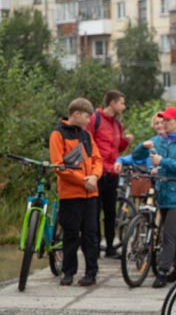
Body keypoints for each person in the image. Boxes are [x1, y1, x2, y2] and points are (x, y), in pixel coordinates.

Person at [132, 106, 176, 288]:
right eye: (163, 120)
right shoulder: (159, 140)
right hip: (163, 193)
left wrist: (163, 162)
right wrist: (142, 147)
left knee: (167, 234)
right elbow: (137, 157)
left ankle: (162, 271)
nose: (164, 123)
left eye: (167, 120)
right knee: (173, 233)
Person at [49, 98, 103, 287]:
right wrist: (83, 181)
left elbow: (97, 159)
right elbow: (59, 166)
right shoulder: (58, 134)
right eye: (87, 117)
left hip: (91, 193)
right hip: (71, 194)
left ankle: (91, 272)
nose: (89, 121)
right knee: (71, 234)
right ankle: (68, 272)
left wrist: (95, 177)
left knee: (91, 234)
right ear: (76, 114)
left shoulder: (87, 135)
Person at [85, 89, 133, 258]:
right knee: (95, 212)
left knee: (110, 212)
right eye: (121, 103)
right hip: (97, 173)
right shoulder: (94, 120)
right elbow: (87, 144)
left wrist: (125, 141)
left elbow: (118, 149)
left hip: (113, 174)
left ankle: (111, 246)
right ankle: (95, 246)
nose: (124, 106)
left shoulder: (118, 124)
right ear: (112, 103)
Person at [113, 114, 165, 197]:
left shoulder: (175, 143)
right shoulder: (150, 143)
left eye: (162, 122)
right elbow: (132, 158)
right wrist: (119, 161)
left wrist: (159, 170)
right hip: (152, 189)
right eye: (157, 123)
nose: (159, 125)